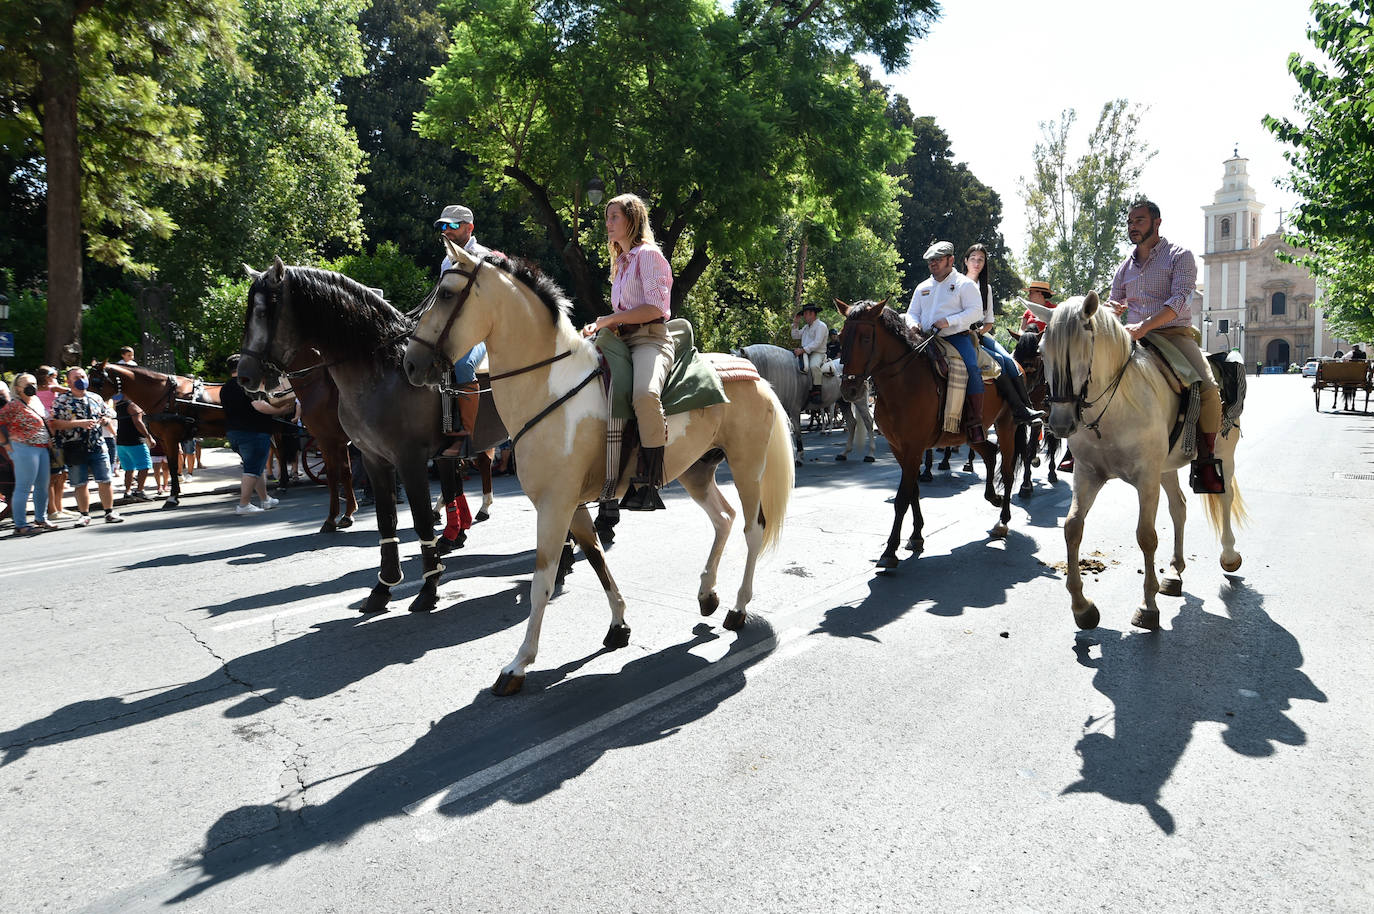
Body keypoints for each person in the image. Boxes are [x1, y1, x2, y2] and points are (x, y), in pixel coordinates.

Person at [1108, 198, 1224, 494]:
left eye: (1140, 221)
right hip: (1132, 337)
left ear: (1157, 222)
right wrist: (1109, 316)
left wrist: (1145, 325)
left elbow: (1180, 299)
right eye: (1131, 222)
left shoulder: (1179, 256)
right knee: (1092, 374)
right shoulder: (1124, 268)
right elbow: (1114, 303)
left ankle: (1207, 461)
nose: (1133, 227)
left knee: (1208, 389)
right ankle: (1083, 445)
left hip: (1174, 334)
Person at [582, 193, 674, 511]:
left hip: (650, 339)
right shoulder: (621, 261)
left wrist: (611, 319)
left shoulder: (648, 255)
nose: (608, 224)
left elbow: (655, 308)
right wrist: (600, 327)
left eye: (614, 217)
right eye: (607, 218)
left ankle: (648, 483)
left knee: (645, 395)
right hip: (620, 340)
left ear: (632, 220)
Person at [904, 240, 989, 442]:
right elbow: (911, 313)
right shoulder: (922, 287)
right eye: (930, 261)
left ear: (950, 260)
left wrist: (948, 321)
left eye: (938, 260)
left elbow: (976, 312)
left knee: (971, 367)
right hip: (923, 338)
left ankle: (975, 421)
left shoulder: (964, 284)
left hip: (956, 338)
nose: (933, 264)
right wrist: (913, 325)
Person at [964, 243, 1044, 425]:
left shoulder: (987, 288)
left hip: (980, 334)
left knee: (1009, 361)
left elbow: (989, 322)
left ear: (985, 264)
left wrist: (978, 332)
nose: (977, 263)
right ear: (966, 261)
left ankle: (1025, 408)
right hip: (959, 333)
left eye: (981, 260)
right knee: (999, 363)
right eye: (973, 259)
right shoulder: (956, 283)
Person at [49, 367, 124, 525]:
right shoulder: (62, 401)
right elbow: (54, 423)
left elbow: (109, 413)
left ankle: (109, 512)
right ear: (68, 382)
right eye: (76, 377)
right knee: (80, 483)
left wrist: (105, 420)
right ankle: (84, 514)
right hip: (75, 447)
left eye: (83, 376)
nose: (80, 379)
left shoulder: (95, 397)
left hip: (97, 445)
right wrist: (79, 423)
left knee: (105, 480)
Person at [221, 354, 295, 514]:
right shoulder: (247, 384)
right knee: (252, 469)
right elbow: (259, 405)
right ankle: (244, 505)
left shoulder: (225, 388)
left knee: (257, 467)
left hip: (234, 432)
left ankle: (265, 499)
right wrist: (279, 410)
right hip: (253, 432)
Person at [0, 373, 56, 535]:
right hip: (24, 448)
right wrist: (5, 444)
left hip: (42, 447)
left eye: (33, 382)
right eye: (26, 384)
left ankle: (41, 518)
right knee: (24, 487)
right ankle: (20, 524)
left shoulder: (37, 401)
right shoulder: (14, 405)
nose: (31, 386)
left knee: (42, 486)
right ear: (17, 388)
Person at [33, 366, 69, 520]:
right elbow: (69, 391)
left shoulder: (35, 390)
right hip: (51, 430)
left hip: (51, 429)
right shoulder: (52, 387)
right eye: (53, 375)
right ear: (48, 377)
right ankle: (53, 510)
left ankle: (58, 508)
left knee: (60, 473)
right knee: (55, 473)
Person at [115, 392, 154, 500]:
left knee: (129, 469)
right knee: (145, 466)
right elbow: (138, 422)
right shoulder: (133, 405)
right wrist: (148, 437)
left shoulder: (119, 405)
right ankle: (139, 491)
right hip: (135, 441)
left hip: (121, 442)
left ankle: (127, 492)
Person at [791, 304, 829, 403]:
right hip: (805, 352)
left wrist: (802, 350)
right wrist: (795, 323)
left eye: (806, 314)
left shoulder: (821, 326)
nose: (804, 316)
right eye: (804, 314)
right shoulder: (806, 327)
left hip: (817, 353)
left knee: (814, 366)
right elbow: (795, 336)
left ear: (812, 314)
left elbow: (817, 343)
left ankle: (817, 392)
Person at [434, 204, 491, 268]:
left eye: (453, 225)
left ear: (469, 228)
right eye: (443, 226)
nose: (447, 231)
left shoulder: (484, 258)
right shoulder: (446, 261)